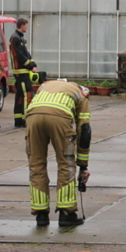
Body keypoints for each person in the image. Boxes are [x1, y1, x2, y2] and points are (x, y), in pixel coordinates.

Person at [25, 79, 92, 226]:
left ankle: (41, 214)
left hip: (33, 117)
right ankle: (66, 213)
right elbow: (84, 130)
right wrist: (83, 165)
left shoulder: (45, 86)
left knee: (36, 165)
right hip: (59, 118)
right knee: (65, 164)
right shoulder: (81, 94)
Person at [9, 17, 39, 128]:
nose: (27, 27)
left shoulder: (19, 38)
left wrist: (32, 63)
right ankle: (26, 119)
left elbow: (25, 53)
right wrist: (30, 66)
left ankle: (19, 120)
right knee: (27, 95)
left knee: (21, 96)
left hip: (23, 72)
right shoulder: (15, 38)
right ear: (22, 26)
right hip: (20, 73)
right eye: (26, 25)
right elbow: (19, 55)